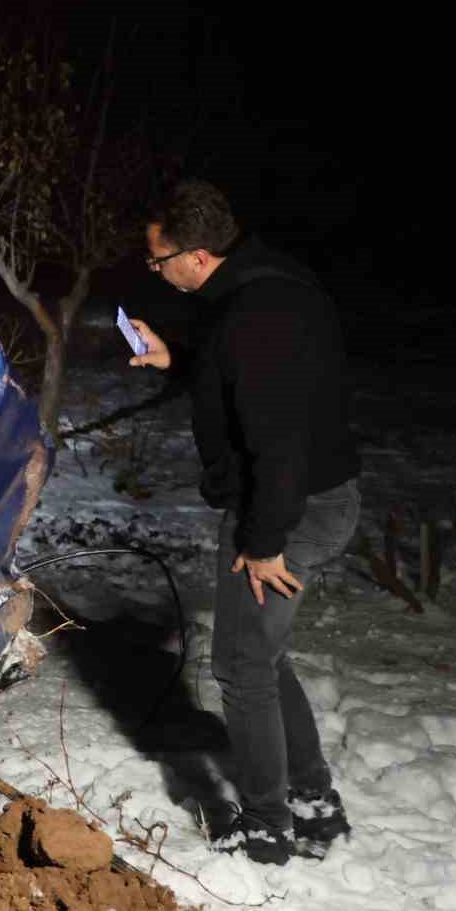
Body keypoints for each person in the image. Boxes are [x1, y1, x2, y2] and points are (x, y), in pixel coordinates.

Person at [127, 181, 361, 864]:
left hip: (285, 507)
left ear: (195, 256)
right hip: (303, 496)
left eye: (157, 260)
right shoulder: (264, 285)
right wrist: (180, 361)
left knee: (240, 667)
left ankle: (268, 826)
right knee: (261, 656)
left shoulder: (255, 315)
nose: (157, 271)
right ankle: (313, 803)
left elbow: (277, 442)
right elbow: (247, 379)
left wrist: (263, 543)